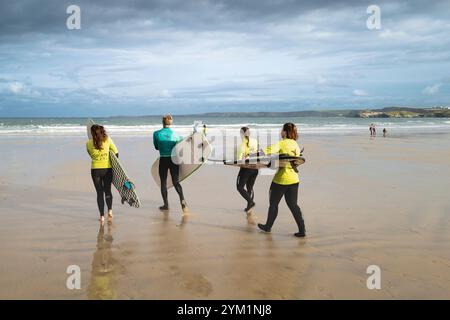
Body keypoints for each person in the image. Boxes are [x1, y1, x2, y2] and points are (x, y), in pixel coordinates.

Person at [257, 123, 306, 237]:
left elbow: (264, 152)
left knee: (273, 204)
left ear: (285, 132)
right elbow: (295, 161)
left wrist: (250, 155)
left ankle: (268, 227)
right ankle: (302, 230)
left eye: (282, 130)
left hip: (280, 180)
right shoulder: (295, 145)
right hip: (294, 179)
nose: (280, 132)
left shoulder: (281, 143)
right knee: (293, 205)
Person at [153, 114, 188, 213]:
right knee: (176, 182)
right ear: (171, 122)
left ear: (162, 122)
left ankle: (166, 205)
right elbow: (181, 148)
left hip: (163, 159)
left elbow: (156, 147)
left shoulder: (156, 134)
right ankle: (182, 200)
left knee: (163, 183)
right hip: (174, 160)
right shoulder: (177, 135)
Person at [86, 125, 118, 223]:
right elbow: (116, 153)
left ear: (92, 133)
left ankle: (102, 216)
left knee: (99, 193)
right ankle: (110, 211)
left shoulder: (88, 143)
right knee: (107, 191)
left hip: (95, 170)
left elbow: (91, 155)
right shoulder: (107, 140)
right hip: (107, 169)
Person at [236, 127, 259, 213]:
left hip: (246, 169)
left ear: (241, 134)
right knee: (250, 187)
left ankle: (251, 202)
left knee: (240, 187)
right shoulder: (255, 141)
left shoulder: (242, 144)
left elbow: (238, 159)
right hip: (255, 168)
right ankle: (249, 207)